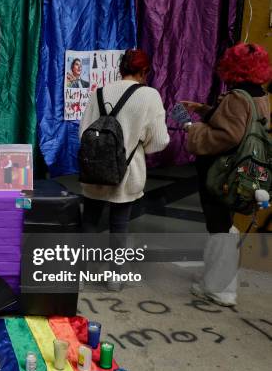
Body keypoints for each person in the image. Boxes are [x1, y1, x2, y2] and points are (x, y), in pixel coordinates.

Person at [182, 43, 271, 307]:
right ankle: (216, 276)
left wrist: (194, 128)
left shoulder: (236, 97)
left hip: (222, 176)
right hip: (243, 175)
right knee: (223, 226)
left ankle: (220, 288)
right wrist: (206, 110)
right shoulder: (260, 97)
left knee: (219, 227)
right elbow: (239, 125)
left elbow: (228, 135)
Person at [79, 49, 170, 290]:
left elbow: (83, 133)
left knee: (89, 220)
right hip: (128, 173)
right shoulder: (150, 96)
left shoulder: (98, 93)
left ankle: (79, 275)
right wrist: (137, 148)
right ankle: (114, 277)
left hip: (94, 170)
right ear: (144, 71)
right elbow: (160, 141)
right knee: (119, 224)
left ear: (120, 68)